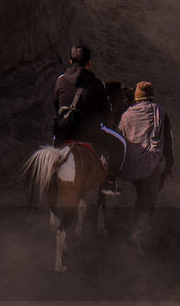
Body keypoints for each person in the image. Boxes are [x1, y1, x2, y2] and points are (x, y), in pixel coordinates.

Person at [53, 44, 126, 195]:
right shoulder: (97, 83)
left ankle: (52, 178)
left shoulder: (60, 80)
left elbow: (56, 106)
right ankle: (109, 183)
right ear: (89, 63)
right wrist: (107, 124)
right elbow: (106, 114)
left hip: (64, 134)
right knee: (121, 145)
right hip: (90, 134)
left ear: (70, 62)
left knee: (52, 147)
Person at [117, 80, 174, 254]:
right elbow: (168, 141)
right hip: (150, 165)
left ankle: (138, 227)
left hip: (130, 165)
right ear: (152, 96)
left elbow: (120, 137)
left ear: (136, 98)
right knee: (147, 201)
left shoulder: (126, 115)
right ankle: (136, 235)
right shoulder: (160, 112)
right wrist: (170, 163)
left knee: (140, 196)